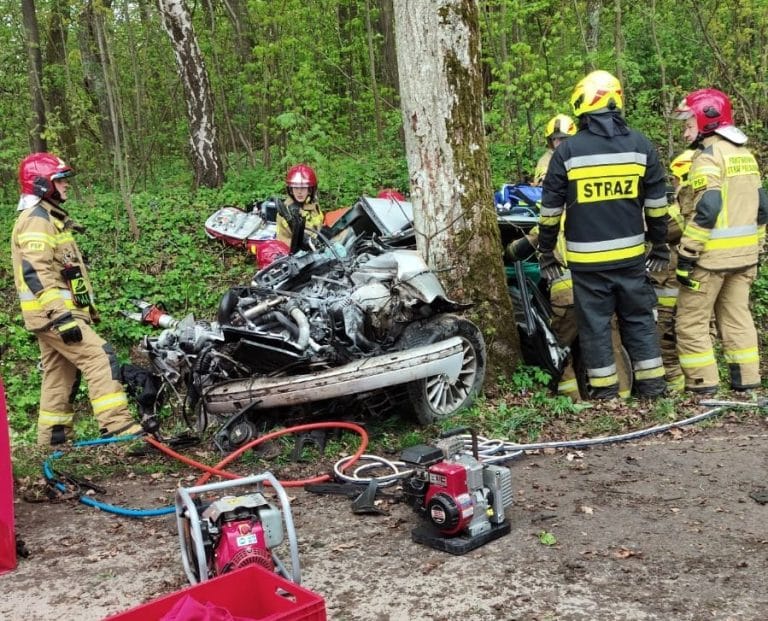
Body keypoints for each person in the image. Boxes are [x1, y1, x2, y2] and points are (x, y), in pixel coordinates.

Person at [538, 70, 669, 399]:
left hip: (588, 264)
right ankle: (653, 390)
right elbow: (656, 206)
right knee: (639, 321)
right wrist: (659, 245)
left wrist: (546, 252)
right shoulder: (641, 145)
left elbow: (550, 212)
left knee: (595, 328)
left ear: (581, 103)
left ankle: (606, 396)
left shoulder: (567, 153)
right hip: (631, 259)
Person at [10, 153, 143, 445]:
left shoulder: (49, 219)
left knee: (59, 374)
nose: (66, 185)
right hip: (54, 314)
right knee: (100, 356)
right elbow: (35, 271)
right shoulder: (36, 220)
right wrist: (60, 314)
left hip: (52, 314)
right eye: (60, 180)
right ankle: (118, 427)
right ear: (42, 184)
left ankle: (54, 438)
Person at [672, 88, 768, 394]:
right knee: (738, 319)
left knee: (691, 323)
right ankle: (747, 383)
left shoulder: (707, 159)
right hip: (744, 258)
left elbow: (708, 208)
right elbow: (763, 208)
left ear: (707, 120)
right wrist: (758, 246)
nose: (685, 132)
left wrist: (687, 252)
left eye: (689, 124)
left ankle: (703, 388)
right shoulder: (746, 156)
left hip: (710, 260)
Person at [647, 150, 695, 393]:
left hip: (671, 287)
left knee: (666, 342)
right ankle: (690, 385)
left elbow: (661, 231)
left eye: (675, 179)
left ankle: (677, 390)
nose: (673, 184)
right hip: (685, 285)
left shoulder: (682, 210)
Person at [275, 164, 324, 252]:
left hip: (318, 248)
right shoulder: (286, 211)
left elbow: (319, 225)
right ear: (291, 190)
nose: (299, 192)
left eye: (303, 188)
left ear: (310, 190)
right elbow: (286, 242)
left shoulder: (313, 205)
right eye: (296, 188)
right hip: (296, 255)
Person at [532, 114, 577, 187]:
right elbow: (541, 186)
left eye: (562, 138)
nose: (557, 143)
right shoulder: (544, 161)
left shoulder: (580, 154)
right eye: (553, 139)